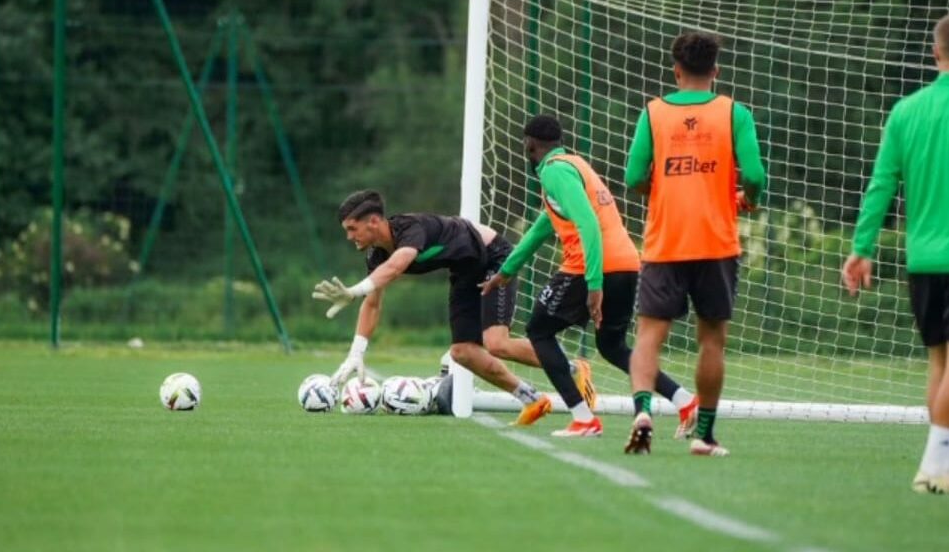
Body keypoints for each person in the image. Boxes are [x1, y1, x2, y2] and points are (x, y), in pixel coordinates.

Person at [481, 115, 700, 438]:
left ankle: (583, 418)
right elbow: (541, 229)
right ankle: (685, 402)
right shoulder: (575, 165)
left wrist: (594, 285)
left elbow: (589, 226)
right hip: (626, 263)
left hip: (591, 268)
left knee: (539, 331)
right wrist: (506, 272)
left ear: (529, 144)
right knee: (612, 346)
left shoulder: (555, 172)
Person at [312, 190, 580, 425]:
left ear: (373, 221)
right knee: (462, 352)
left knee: (497, 343)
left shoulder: (410, 228)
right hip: (465, 272)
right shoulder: (376, 255)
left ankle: (573, 370)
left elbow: (396, 267)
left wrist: (354, 290)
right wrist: (356, 353)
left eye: (352, 228)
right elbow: (372, 303)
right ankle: (532, 399)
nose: (349, 237)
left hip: (494, 258)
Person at [624, 31, 766, 456]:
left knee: (649, 335)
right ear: (716, 72)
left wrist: (664, 189)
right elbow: (756, 176)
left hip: (666, 241)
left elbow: (633, 179)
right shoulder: (733, 113)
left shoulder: (653, 112)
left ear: (676, 70)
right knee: (711, 340)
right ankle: (703, 434)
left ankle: (643, 409)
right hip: (716, 242)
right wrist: (746, 199)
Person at [843, 12, 949, 495]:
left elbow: (881, 185)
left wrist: (861, 248)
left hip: (922, 261)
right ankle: (935, 463)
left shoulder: (906, 111)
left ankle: (947, 468)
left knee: (939, 362)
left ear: (935, 53)